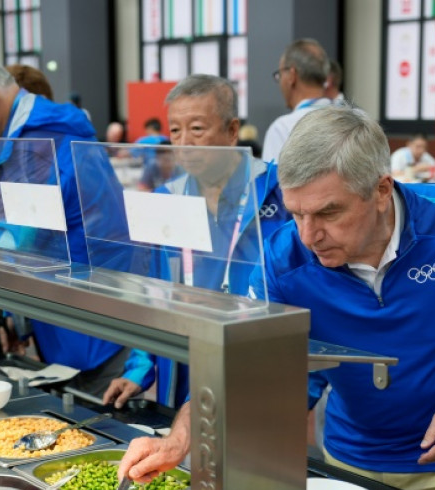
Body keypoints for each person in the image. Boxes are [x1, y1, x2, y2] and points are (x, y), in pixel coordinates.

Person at [119, 106, 435, 490]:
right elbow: (241, 362)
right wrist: (182, 436)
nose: (308, 235)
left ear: (381, 190)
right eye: (296, 213)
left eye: (327, 213)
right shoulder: (283, 258)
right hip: (347, 460)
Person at [0, 46, 130, 395]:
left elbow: (17, 240)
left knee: (95, 424)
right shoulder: (23, 136)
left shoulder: (38, 143)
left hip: (92, 320)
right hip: (74, 311)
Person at [102, 74, 292, 410]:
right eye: (175, 130)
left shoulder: (278, 190)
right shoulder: (167, 197)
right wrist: (140, 367)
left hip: (257, 358)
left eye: (197, 129)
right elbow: (154, 290)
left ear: (232, 131)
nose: (184, 142)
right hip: (186, 360)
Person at [261, 39, 333, 163]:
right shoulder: (358, 119)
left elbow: (272, 181)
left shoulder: (282, 129)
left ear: (292, 76)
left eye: (280, 74)